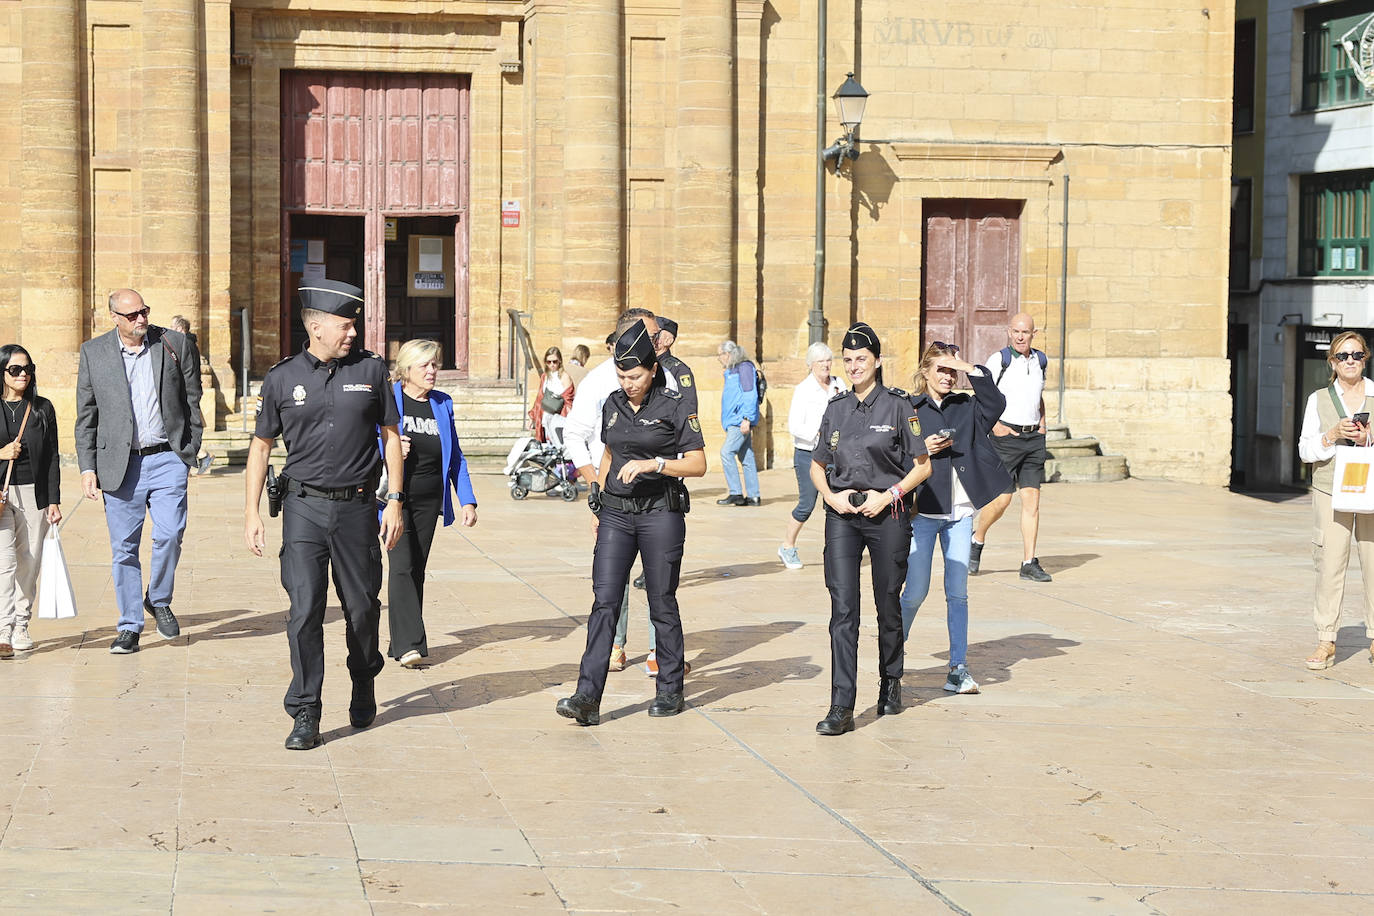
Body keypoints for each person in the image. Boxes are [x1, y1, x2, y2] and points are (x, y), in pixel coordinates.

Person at [244, 279, 405, 751]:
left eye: (354, 323)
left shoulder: (372, 371)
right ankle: (306, 710)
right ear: (316, 326)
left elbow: (391, 435)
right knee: (304, 610)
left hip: (357, 508)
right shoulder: (281, 377)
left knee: (361, 608)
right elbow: (261, 446)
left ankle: (363, 679)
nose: (353, 332)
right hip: (303, 508)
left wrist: (393, 498)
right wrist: (250, 512)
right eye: (345, 324)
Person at [556, 319, 707, 726]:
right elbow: (609, 455)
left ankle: (670, 688)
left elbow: (698, 464)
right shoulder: (612, 404)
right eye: (622, 376)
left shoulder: (675, 407)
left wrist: (656, 464)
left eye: (636, 376)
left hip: (661, 512)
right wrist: (599, 503)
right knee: (604, 601)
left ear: (653, 369)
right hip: (618, 515)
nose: (629, 383)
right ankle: (587, 696)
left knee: (661, 600)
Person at [809, 322, 931, 736]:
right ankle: (841, 704)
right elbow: (816, 465)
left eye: (861, 359)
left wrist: (889, 494)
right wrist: (830, 496)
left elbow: (922, 466)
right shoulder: (836, 407)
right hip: (843, 513)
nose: (854, 366)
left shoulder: (898, 406)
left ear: (877, 361)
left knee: (886, 603)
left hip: (888, 512)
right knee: (843, 608)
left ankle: (891, 679)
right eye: (848, 360)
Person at [75, 289, 203, 654]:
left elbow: (192, 398)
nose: (140, 320)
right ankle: (130, 625)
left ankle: (158, 598)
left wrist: (189, 451)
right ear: (113, 317)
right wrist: (87, 467)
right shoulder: (94, 353)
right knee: (124, 549)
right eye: (131, 315)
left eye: (143, 312)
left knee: (170, 533)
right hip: (120, 464)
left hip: (167, 458)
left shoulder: (173, 343)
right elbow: (87, 416)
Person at [565, 308, 685, 675]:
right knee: (611, 582)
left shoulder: (669, 382)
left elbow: (685, 447)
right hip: (615, 499)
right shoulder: (600, 383)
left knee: (657, 583)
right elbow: (579, 436)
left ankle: (658, 653)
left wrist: (664, 469)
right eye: (649, 336)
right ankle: (615, 646)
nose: (657, 342)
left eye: (656, 336)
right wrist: (596, 488)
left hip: (659, 501)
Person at [899, 342, 1012, 695]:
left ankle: (957, 669)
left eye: (951, 371)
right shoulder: (909, 408)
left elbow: (997, 403)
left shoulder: (968, 405)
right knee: (915, 592)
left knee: (958, 593)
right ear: (925, 372)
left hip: (960, 514)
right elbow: (894, 455)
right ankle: (892, 658)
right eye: (941, 369)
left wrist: (964, 364)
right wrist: (924, 449)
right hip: (923, 513)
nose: (947, 377)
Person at [384, 339, 478, 668]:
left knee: (416, 569)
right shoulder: (390, 399)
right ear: (406, 371)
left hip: (428, 500)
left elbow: (456, 457)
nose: (432, 371)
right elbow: (366, 444)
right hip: (396, 498)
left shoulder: (442, 403)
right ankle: (411, 643)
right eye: (424, 365)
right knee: (401, 566)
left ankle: (399, 642)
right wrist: (391, 451)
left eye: (435, 364)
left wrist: (466, 500)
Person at [1298, 331, 1374, 671]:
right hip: (1331, 489)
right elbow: (1304, 450)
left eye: (1357, 355)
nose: (1350, 362)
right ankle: (1326, 639)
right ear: (1332, 362)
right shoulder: (1319, 399)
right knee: (1329, 565)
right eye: (1343, 356)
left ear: (1365, 358)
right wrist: (1331, 435)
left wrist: (1368, 438)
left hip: (1370, 490)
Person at [971, 312, 1053, 582]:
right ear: (1009, 332)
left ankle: (1029, 561)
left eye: (1026, 332)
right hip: (1006, 439)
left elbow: (1036, 395)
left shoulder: (1040, 360)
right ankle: (977, 537)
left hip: (1033, 440)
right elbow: (982, 395)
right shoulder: (999, 360)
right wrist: (995, 426)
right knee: (1002, 500)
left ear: (1033, 334)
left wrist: (1042, 423)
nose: (1020, 336)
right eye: (1016, 331)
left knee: (1032, 501)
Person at [0, 346, 61, 657]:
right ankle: (3, 630)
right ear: (2, 373)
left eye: (27, 368)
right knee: (5, 564)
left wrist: (53, 500)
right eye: (15, 369)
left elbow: (52, 457)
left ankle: (22, 623)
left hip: (33, 494)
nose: (22, 374)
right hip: (1, 494)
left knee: (30, 562)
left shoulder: (42, 408)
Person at [778, 342, 846, 570]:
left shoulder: (839, 384)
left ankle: (838, 550)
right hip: (809, 454)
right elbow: (795, 426)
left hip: (836, 456)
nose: (826, 365)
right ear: (811, 365)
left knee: (836, 503)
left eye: (828, 360)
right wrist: (819, 434)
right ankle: (787, 546)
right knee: (807, 504)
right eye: (820, 361)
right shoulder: (803, 389)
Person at [716, 340, 761, 507]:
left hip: (739, 421)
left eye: (719, 355)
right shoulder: (732, 370)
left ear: (727, 354)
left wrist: (747, 419)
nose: (719, 359)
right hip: (735, 421)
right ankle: (754, 496)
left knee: (726, 453)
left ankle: (736, 493)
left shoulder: (744, 368)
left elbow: (750, 394)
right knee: (746, 457)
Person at [170, 314, 215, 475]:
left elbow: (186, 372)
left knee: (187, 425)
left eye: (173, 327)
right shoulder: (189, 343)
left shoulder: (186, 344)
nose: (170, 331)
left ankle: (201, 455)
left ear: (180, 329)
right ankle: (198, 456)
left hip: (189, 391)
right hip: (191, 390)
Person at [528, 346, 575, 444]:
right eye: (549, 362)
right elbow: (539, 398)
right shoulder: (545, 376)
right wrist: (532, 417)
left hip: (559, 417)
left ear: (560, 361)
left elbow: (568, 399)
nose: (552, 365)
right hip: (545, 416)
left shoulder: (564, 376)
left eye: (555, 361)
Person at [655, 317, 699, 415]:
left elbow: (688, 405)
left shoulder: (679, 369)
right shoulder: (645, 364)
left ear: (668, 341)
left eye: (656, 335)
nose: (651, 338)